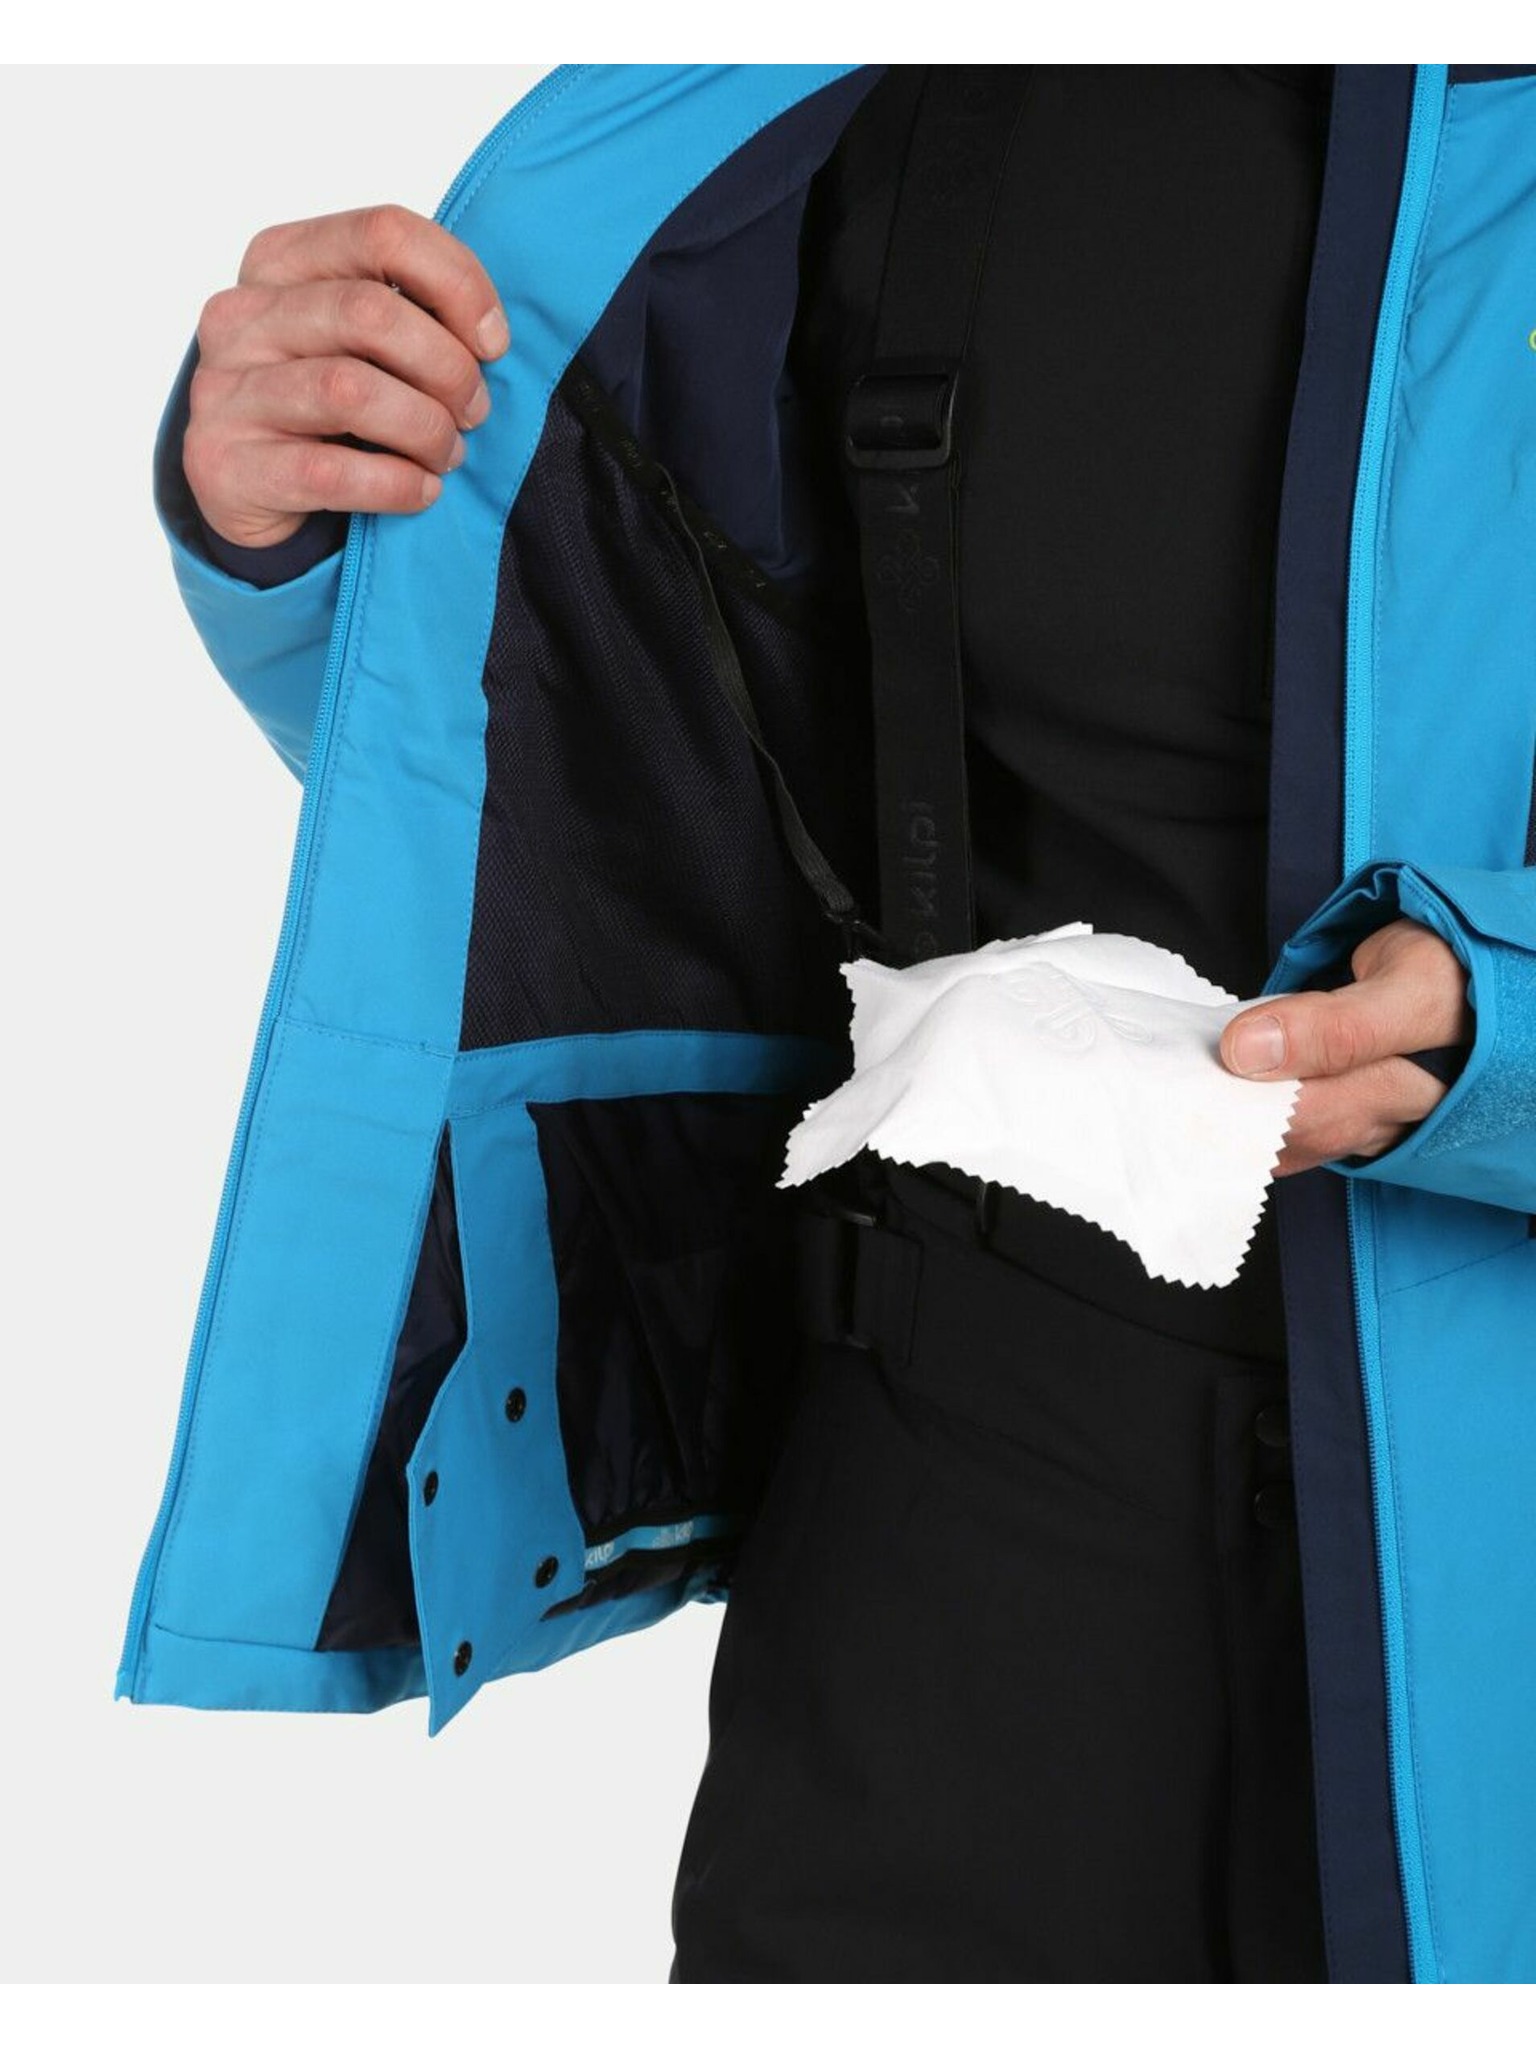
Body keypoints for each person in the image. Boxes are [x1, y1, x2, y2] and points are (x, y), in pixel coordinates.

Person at [130, 63, 1536, 1984]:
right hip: (955, 1520)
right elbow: (620, 785)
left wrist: (1507, 1032)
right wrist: (315, 515)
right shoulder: (881, 94)